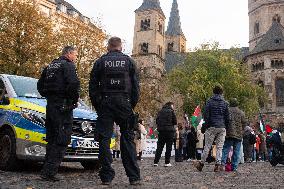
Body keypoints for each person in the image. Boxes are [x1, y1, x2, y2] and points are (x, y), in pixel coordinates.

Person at [89, 37, 140, 186]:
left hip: (105, 102)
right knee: (128, 138)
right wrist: (132, 105)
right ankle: (134, 176)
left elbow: (92, 87)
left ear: (108, 47)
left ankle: (106, 176)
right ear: (121, 47)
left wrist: (98, 105)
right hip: (124, 102)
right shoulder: (129, 62)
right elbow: (136, 87)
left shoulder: (100, 62)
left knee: (104, 139)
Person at [37, 46, 80, 181]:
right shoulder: (68, 66)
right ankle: (49, 172)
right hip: (63, 106)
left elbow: (40, 85)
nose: (76, 58)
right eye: (75, 55)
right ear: (69, 54)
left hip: (51, 105)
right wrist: (72, 100)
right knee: (62, 138)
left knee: (52, 138)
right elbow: (73, 83)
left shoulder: (50, 66)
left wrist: (49, 96)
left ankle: (46, 169)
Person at [193, 85, 230, 172]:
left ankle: (201, 164)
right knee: (219, 147)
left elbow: (206, 116)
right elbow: (228, 118)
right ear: (221, 92)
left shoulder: (209, 102)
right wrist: (225, 126)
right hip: (222, 127)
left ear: (213, 92)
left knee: (207, 146)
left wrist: (206, 126)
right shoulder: (225, 103)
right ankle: (217, 164)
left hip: (212, 126)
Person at [220, 98, 246, 172]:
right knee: (236, 151)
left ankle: (222, 164)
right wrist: (241, 130)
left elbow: (224, 121)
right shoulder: (241, 112)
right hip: (238, 135)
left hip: (229, 134)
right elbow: (244, 123)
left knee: (225, 150)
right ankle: (234, 167)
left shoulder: (227, 111)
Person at [154, 102, 177, 167]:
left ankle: (156, 162)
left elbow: (157, 121)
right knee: (168, 147)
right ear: (170, 105)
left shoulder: (160, 111)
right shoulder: (171, 111)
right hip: (169, 131)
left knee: (159, 147)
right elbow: (175, 121)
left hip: (161, 131)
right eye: (173, 105)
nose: (173, 107)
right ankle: (167, 162)